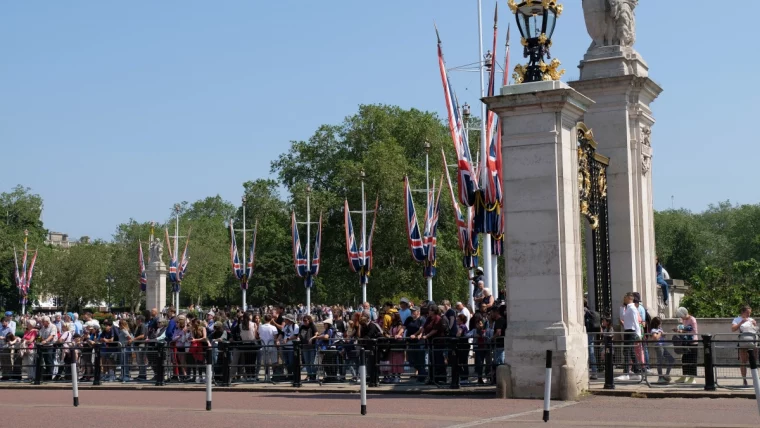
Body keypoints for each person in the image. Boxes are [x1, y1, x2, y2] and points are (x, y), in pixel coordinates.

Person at [616, 293, 641, 381]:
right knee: (631, 352)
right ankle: (637, 372)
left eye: (625, 297)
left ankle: (626, 373)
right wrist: (622, 308)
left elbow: (636, 322)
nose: (624, 299)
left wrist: (638, 334)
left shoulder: (633, 308)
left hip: (631, 331)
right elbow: (622, 317)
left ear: (629, 298)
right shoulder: (628, 308)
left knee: (626, 351)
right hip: (627, 331)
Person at [732, 305, 757, 386]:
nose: (749, 315)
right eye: (747, 313)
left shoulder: (751, 319)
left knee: (753, 360)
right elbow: (733, 329)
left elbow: (755, 330)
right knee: (743, 361)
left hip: (752, 342)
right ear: (742, 312)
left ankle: (755, 379)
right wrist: (741, 323)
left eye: (750, 313)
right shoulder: (736, 319)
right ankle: (744, 379)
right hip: (743, 342)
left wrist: (754, 324)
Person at [674, 307, 698, 384]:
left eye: (681, 316)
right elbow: (685, 329)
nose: (681, 318)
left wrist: (683, 329)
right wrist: (679, 331)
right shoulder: (684, 320)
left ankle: (692, 377)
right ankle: (684, 376)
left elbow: (693, 330)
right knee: (685, 359)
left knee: (692, 360)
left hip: (692, 342)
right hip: (686, 341)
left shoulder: (692, 319)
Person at [649, 317, 674, 384]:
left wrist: (666, 333)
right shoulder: (654, 330)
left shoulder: (659, 329)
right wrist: (660, 333)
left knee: (671, 359)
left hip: (663, 346)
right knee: (660, 361)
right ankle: (660, 378)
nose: (661, 324)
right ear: (657, 324)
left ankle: (666, 375)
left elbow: (661, 335)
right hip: (658, 346)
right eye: (660, 323)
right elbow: (655, 337)